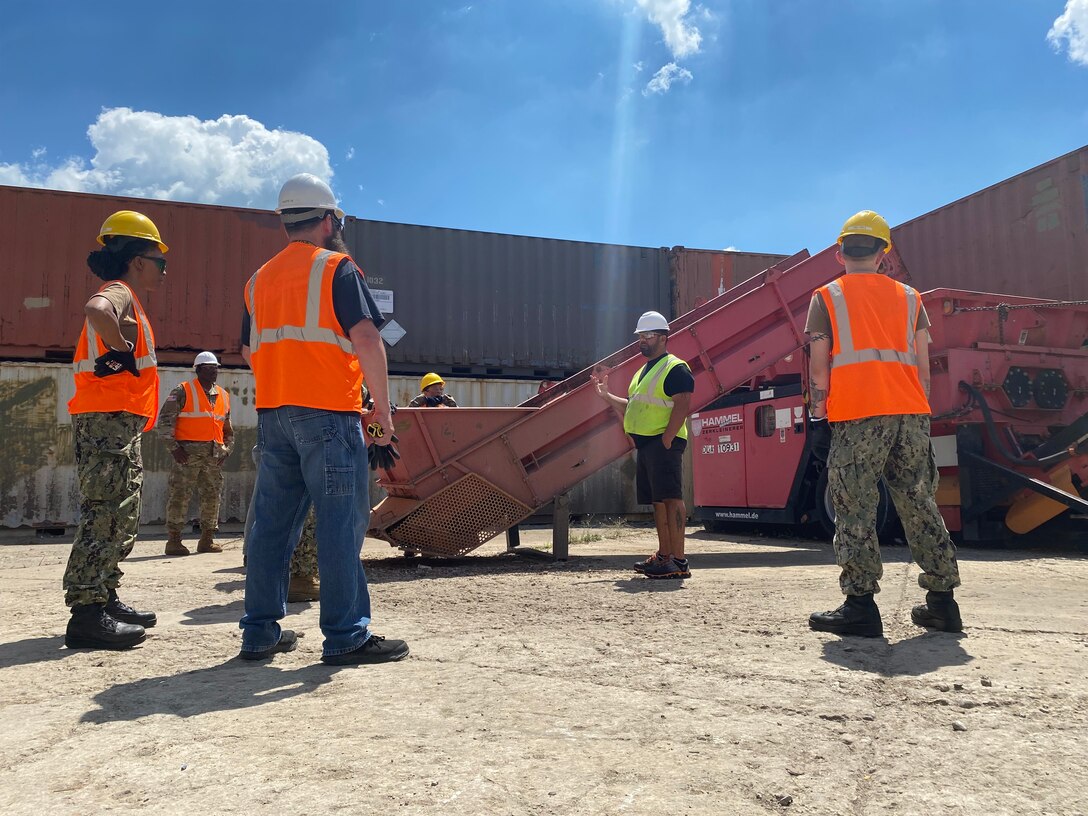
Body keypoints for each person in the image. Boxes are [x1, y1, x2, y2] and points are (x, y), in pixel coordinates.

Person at [238, 173, 408, 664]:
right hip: (329, 415)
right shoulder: (336, 267)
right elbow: (368, 339)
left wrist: (286, 379)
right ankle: (346, 635)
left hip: (274, 415)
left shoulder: (258, 280)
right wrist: (380, 410)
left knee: (271, 527)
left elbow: (250, 349)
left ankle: (260, 632)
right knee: (339, 523)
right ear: (329, 219)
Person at [806, 210, 962, 638]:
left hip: (857, 415)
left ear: (840, 252)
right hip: (910, 412)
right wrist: (914, 410)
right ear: (883, 253)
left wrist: (821, 410)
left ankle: (860, 606)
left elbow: (820, 370)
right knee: (918, 502)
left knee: (855, 507)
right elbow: (924, 369)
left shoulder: (828, 296)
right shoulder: (911, 299)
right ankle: (943, 604)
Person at [63, 210, 168, 650]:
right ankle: (87, 613)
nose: (163, 270)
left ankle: (105, 596)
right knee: (106, 511)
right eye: (159, 260)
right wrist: (121, 346)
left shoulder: (129, 297)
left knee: (119, 510)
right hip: (107, 420)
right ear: (137, 260)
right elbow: (96, 309)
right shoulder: (119, 291)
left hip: (116, 421)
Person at [592, 310, 694, 579]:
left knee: (671, 499)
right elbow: (634, 407)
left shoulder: (675, 367)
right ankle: (664, 556)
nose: (642, 340)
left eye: (647, 336)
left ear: (662, 338)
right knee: (658, 501)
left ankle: (679, 561)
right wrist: (606, 396)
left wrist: (668, 437)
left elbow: (683, 401)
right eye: (640, 336)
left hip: (663, 442)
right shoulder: (641, 373)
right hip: (648, 445)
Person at [158, 351, 234, 556]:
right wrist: (174, 449)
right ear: (198, 370)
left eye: (216, 368)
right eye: (209, 368)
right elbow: (165, 422)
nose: (214, 372)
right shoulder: (182, 391)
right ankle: (174, 541)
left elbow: (227, 428)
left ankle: (207, 540)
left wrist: (226, 450)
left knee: (212, 496)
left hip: (213, 456)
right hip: (187, 454)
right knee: (180, 495)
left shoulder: (223, 395)